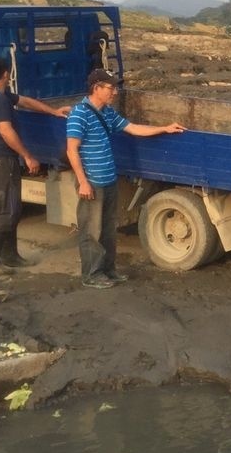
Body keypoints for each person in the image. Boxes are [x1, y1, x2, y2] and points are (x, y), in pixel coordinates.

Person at [66, 69, 185, 289]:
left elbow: (133, 128)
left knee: (109, 229)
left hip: (108, 179)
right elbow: (72, 150)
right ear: (96, 88)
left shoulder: (107, 113)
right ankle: (91, 274)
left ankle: (108, 270)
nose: (115, 92)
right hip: (91, 183)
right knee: (92, 231)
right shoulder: (79, 114)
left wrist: (164, 129)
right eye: (111, 88)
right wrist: (83, 182)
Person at [0, 56, 70, 272]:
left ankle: (10, 255)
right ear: (6, 74)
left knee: (10, 209)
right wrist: (27, 156)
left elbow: (25, 101)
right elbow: (6, 131)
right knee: (8, 212)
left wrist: (53, 111)